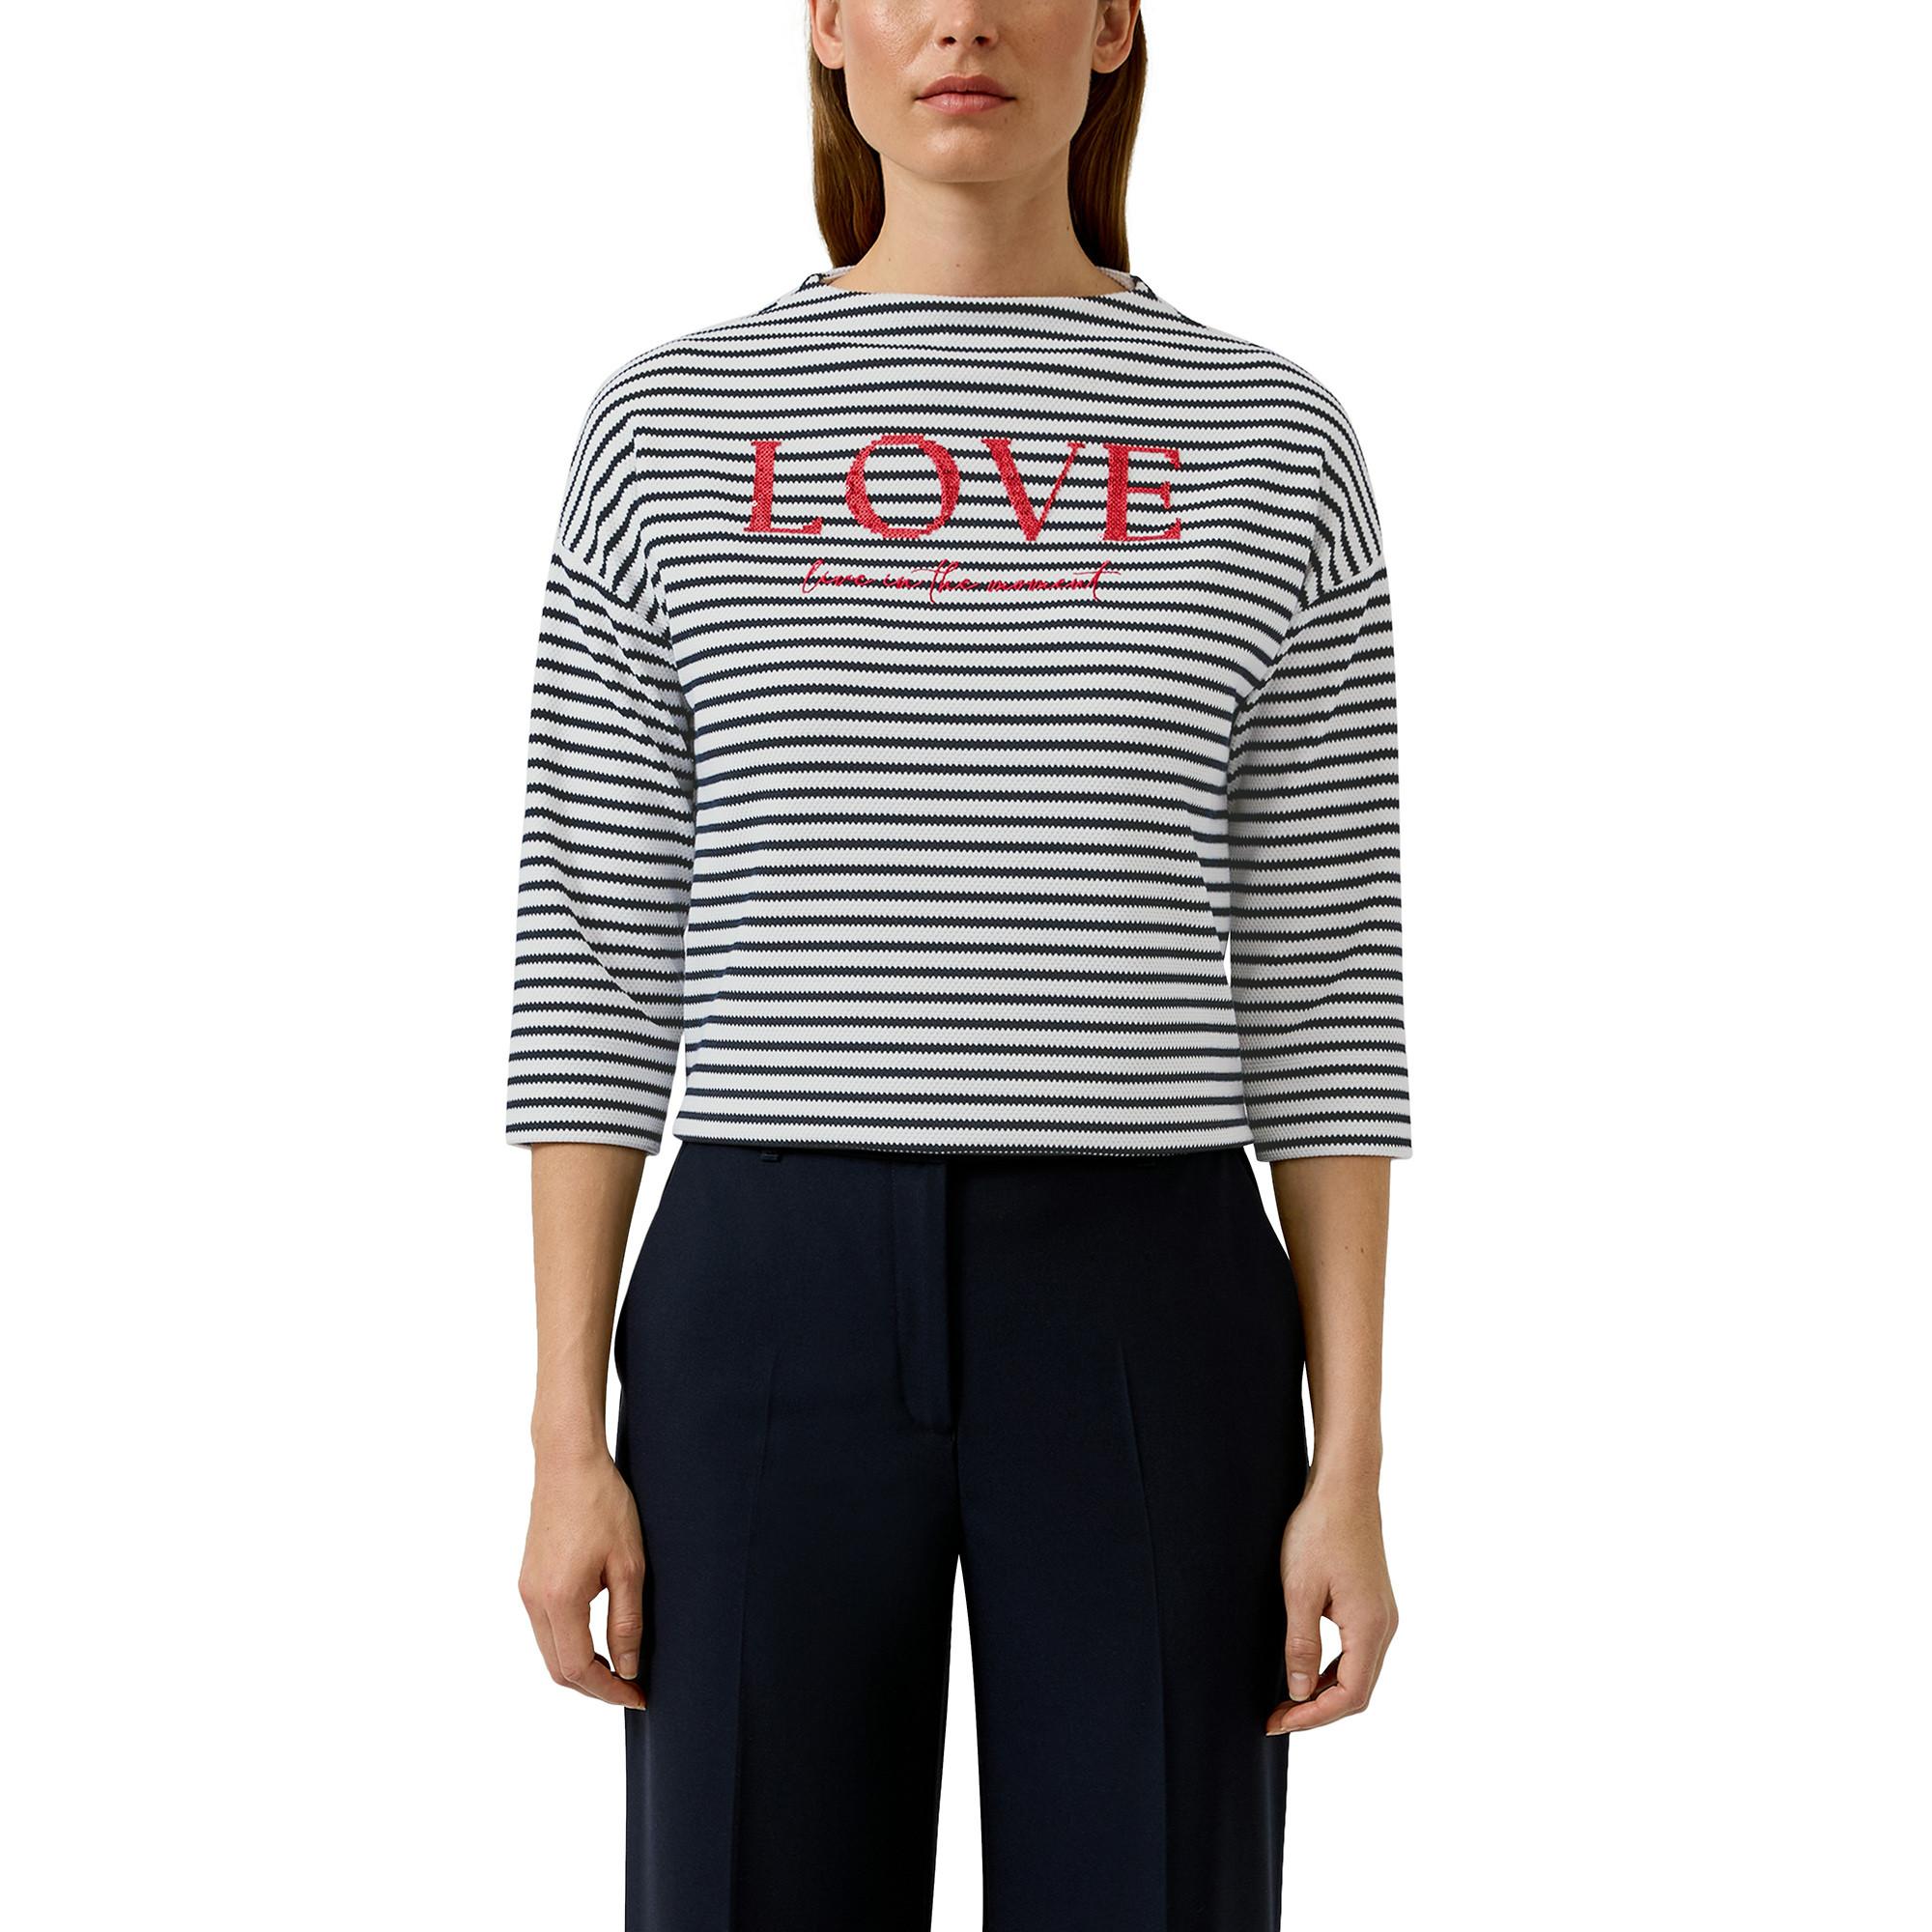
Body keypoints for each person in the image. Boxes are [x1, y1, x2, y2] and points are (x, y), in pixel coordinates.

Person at [508, 4, 1408, 1926]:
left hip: (1148, 1295)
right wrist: (564, 1433)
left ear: (1114, 25)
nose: (964, 21)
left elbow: (1326, 986)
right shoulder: (668, 429)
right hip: (765, 1289)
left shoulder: (1271, 441)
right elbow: (592, 959)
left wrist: (1351, 1461)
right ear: (829, 25)